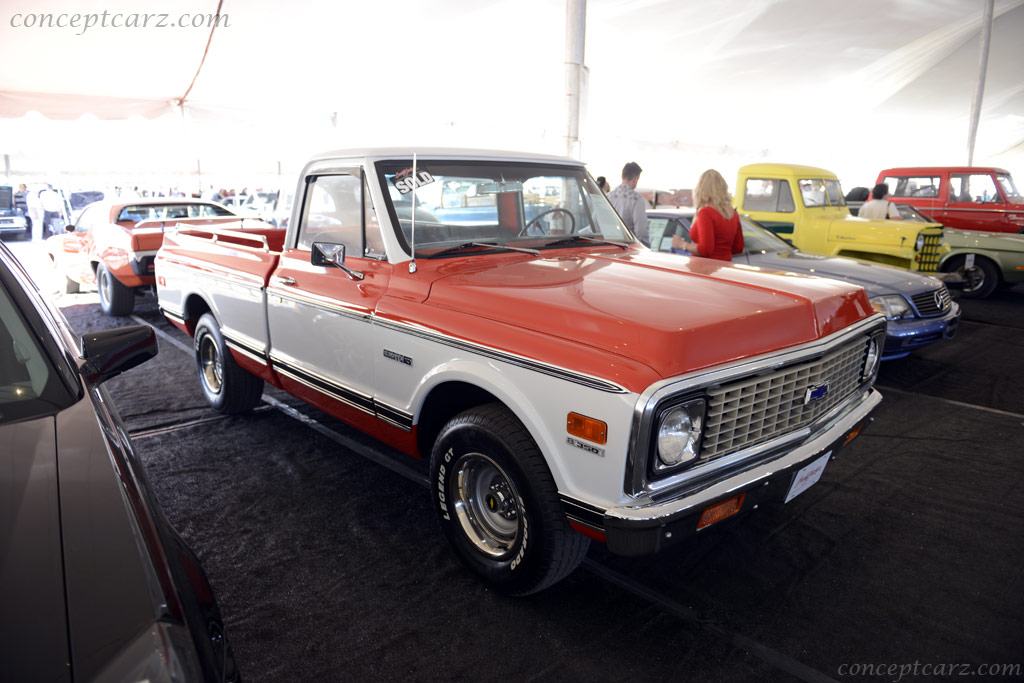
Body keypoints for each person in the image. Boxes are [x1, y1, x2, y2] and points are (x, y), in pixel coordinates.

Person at [673, 169, 743, 261]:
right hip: (725, 266)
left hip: (704, 268)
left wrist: (682, 245)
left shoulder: (706, 212)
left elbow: (705, 249)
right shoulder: (732, 214)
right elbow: (738, 247)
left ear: (701, 189)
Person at [607, 162, 649, 246]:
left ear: (622, 176)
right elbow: (640, 229)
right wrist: (644, 245)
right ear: (635, 178)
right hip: (627, 248)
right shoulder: (636, 199)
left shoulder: (608, 196)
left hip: (607, 245)